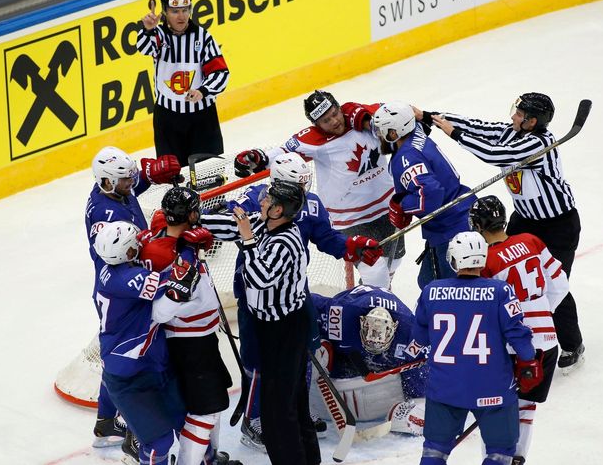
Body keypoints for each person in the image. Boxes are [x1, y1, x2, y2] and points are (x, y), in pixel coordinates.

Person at [226, 152, 382, 452]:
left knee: (307, 346)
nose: (303, 188)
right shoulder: (255, 201)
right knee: (257, 358)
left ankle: (296, 407)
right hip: (255, 294)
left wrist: (352, 247)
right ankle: (255, 417)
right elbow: (228, 221)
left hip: (293, 293)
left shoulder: (309, 204)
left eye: (303, 182)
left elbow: (326, 238)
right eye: (296, 184)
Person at [427, 93, 585, 371]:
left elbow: (493, 154)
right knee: (498, 269)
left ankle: (571, 343)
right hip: (525, 221)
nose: (512, 116)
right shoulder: (513, 132)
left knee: (551, 283)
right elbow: (479, 126)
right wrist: (433, 117)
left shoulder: (539, 144)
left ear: (532, 121)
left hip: (558, 226)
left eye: (519, 113)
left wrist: (454, 134)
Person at [232, 90, 404, 288]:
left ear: (340, 108)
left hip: (386, 205)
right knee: (374, 268)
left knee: (396, 258)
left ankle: (379, 289)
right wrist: (256, 158)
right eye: (325, 120)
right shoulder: (313, 140)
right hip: (350, 218)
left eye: (334, 113)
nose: (333, 121)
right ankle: (374, 302)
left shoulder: (362, 117)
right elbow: (280, 155)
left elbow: (398, 115)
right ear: (316, 125)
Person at [201, 182, 321, 465]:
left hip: (287, 328)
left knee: (278, 411)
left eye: (268, 199)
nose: (262, 200)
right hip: (272, 327)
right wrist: (194, 218)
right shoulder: (264, 221)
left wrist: (248, 240)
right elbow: (233, 225)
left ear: (278, 209)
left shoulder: (288, 241)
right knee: (291, 403)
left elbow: (260, 278)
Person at [412, 231, 543, 465]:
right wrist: (528, 361)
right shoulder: (500, 291)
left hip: (445, 388)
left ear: (453, 259)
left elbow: (420, 337)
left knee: (434, 451)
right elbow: (518, 335)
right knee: (499, 453)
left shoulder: (431, 291)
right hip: (492, 388)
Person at [85, 146, 181, 460]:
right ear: (108, 182)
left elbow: (130, 190)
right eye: (126, 180)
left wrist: (150, 176)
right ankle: (134, 422)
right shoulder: (105, 215)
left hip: (128, 279)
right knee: (127, 350)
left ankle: (106, 421)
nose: (132, 182)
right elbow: (114, 251)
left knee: (118, 353)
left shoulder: (111, 190)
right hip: (124, 287)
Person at [139, 187, 241, 465]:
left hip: (200, 337)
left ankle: (210, 457)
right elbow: (159, 311)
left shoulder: (164, 237)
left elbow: (163, 228)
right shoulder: (171, 257)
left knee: (213, 404)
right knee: (204, 411)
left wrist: (187, 243)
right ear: (190, 214)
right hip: (189, 341)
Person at [469, 195, 569, 465]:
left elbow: (486, 313)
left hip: (513, 346)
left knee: (494, 406)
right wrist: (541, 314)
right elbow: (560, 284)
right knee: (526, 406)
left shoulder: (485, 262)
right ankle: (517, 459)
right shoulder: (531, 241)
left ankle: (496, 460)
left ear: (478, 226)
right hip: (547, 342)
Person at [92, 222, 185, 465]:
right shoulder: (127, 278)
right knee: (159, 442)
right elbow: (176, 279)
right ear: (128, 252)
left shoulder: (110, 266)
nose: (139, 244)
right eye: (135, 244)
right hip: (129, 375)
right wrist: (187, 251)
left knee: (186, 420)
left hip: (152, 362)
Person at [371, 102, 475, 288]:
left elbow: (430, 195)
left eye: (381, 131)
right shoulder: (416, 132)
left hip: (450, 228)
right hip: (462, 212)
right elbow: (414, 120)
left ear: (393, 134)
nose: (378, 135)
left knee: (441, 288)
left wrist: (402, 204)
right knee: (427, 280)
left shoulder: (407, 157)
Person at [310, 285, 427, 434]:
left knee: (419, 379)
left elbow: (421, 367)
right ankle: (301, 407)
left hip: (384, 325)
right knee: (315, 352)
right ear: (362, 323)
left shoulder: (410, 332)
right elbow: (308, 302)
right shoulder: (341, 316)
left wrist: (415, 401)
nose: (373, 346)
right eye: (369, 340)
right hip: (352, 313)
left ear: (394, 329)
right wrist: (314, 340)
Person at [137, 0, 230, 166]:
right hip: (168, 120)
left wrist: (203, 91)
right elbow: (144, 47)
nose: (181, 16)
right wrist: (148, 30)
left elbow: (220, 72)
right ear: (165, 12)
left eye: (185, 10)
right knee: (173, 176)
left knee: (209, 173)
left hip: (202, 118)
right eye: (175, 11)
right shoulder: (159, 36)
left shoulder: (203, 37)